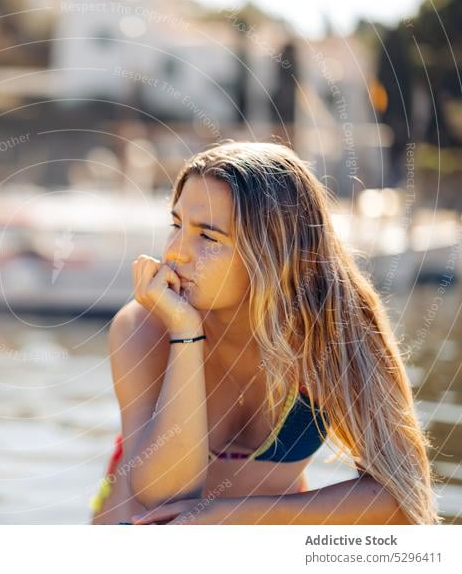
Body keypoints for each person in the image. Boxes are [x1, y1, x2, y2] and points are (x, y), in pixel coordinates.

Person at [89, 142, 438, 525]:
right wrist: (185, 335)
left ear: (274, 252)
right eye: (177, 225)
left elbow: (405, 496)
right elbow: (162, 496)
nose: (176, 253)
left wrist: (233, 516)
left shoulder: (332, 334)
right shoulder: (145, 328)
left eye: (208, 237)